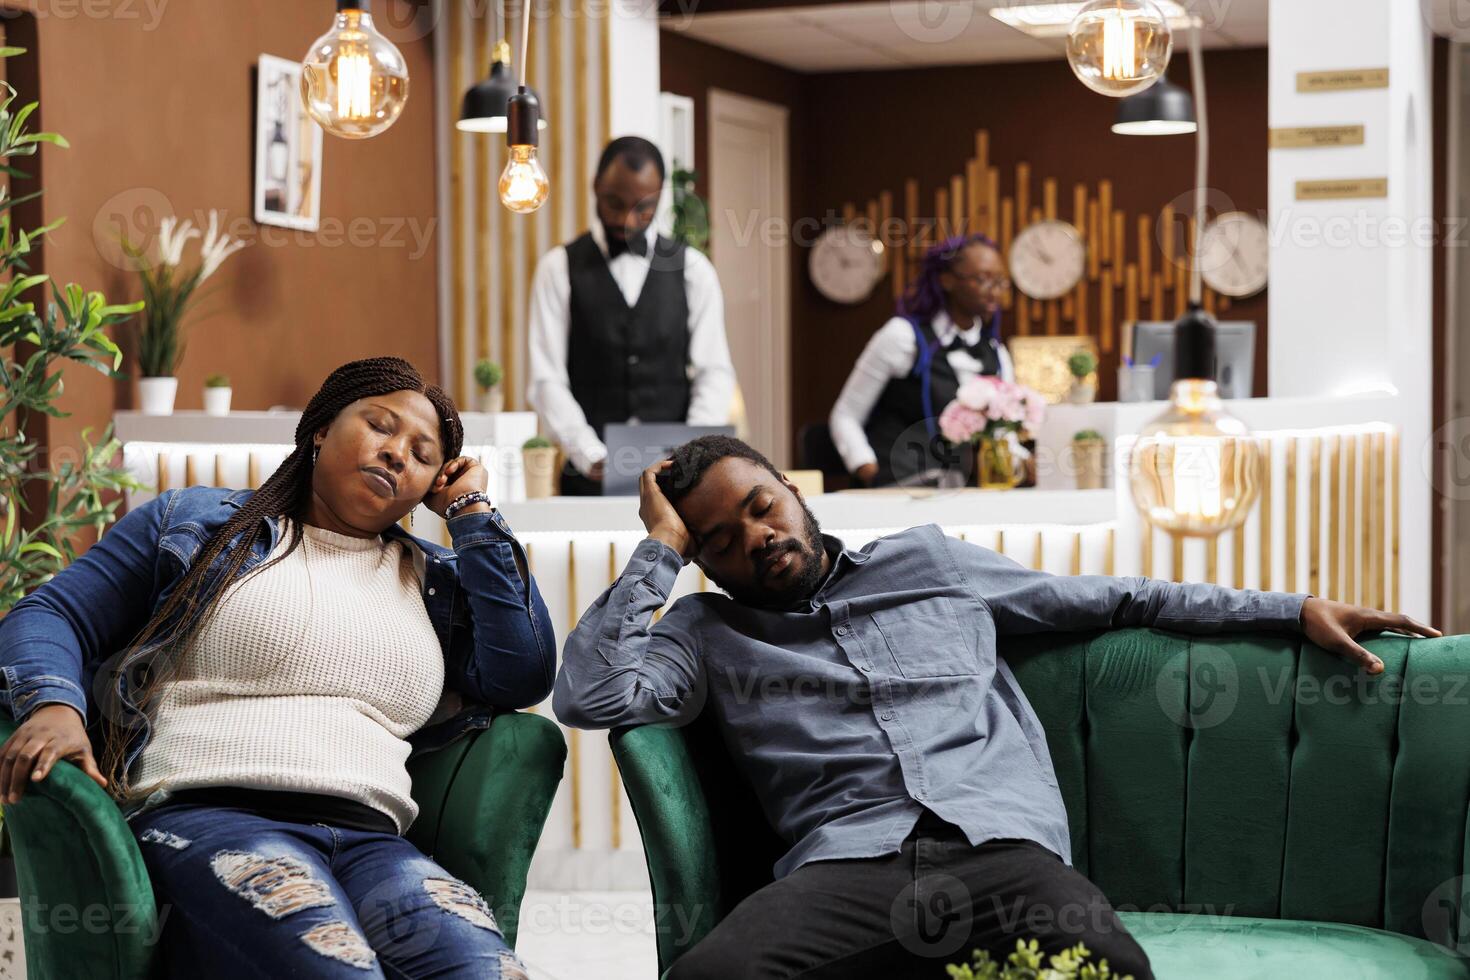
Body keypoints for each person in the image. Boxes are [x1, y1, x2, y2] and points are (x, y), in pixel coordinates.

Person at [552, 434, 1440, 980]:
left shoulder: (931, 564)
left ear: (795, 494)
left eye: (763, 506)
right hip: (846, 869)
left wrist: (1290, 610)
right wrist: (658, 553)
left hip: (999, 853)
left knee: (1111, 971)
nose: (759, 537)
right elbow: (589, 693)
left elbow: (1119, 598)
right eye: (721, 539)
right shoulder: (705, 629)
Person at [0, 357, 555, 979]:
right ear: (320, 428)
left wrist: (473, 514)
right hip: (211, 819)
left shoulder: (435, 582)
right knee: (336, 968)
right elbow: (53, 612)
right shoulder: (199, 523)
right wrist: (53, 706)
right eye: (379, 425)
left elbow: (523, 672)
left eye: (423, 454)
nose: (398, 453)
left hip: (372, 842)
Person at [527, 135, 736, 496]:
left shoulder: (694, 270)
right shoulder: (558, 268)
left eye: (643, 208)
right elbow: (547, 379)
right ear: (595, 186)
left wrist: (690, 451)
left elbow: (713, 373)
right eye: (614, 203)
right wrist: (590, 454)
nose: (627, 219)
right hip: (587, 479)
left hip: (677, 480)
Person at [830, 233, 1018, 487]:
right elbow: (845, 415)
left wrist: (1020, 460)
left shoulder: (995, 351)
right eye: (983, 279)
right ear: (947, 280)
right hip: (898, 486)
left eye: (1000, 281)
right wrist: (867, 469)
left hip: (964, 491)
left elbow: (1002, 431)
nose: (994, 290)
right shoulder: (902, 336)